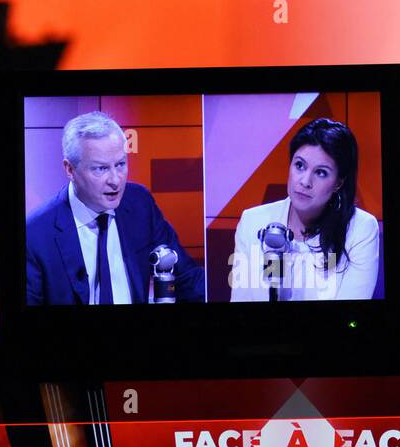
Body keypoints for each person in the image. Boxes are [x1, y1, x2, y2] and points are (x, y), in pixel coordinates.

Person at [26, 111, 205, 305]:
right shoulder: (35, 234)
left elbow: (187, 279)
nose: (115, 180)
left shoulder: (139, 203)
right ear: (70, 169)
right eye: (100, 169)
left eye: (120, 164)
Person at [229, 118, 379, 302]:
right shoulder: (253, 222)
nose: (305, 181)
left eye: (320, 172)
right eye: (299, 165)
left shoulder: (360, 229)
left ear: (338, 182)